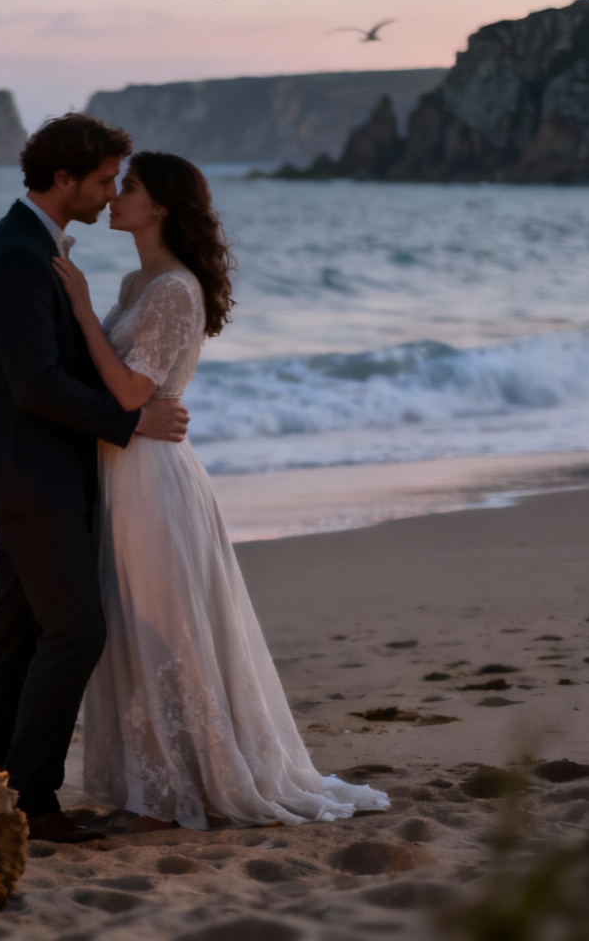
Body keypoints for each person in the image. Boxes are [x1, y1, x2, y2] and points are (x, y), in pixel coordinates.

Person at [52, 151, 389, 831]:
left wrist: (81, 309)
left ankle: (178, 792)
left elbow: (128, 392)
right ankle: (151, 785)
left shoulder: (174, 289)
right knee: (130, 630)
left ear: (163, 206)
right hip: (121, 471)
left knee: (163, 629)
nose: (115, 196)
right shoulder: (136, 281)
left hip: (152, 481)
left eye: (132, 188)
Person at [0, 115, 191, 843]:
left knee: (20, 637)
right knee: (75, 631)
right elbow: (34, 386)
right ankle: (31, 800)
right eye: (101, 181)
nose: (109, 192)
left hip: (39, 471)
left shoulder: (31, 247)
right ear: (63, 180)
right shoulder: (15, 257)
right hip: (34, 475)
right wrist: (131, 422)